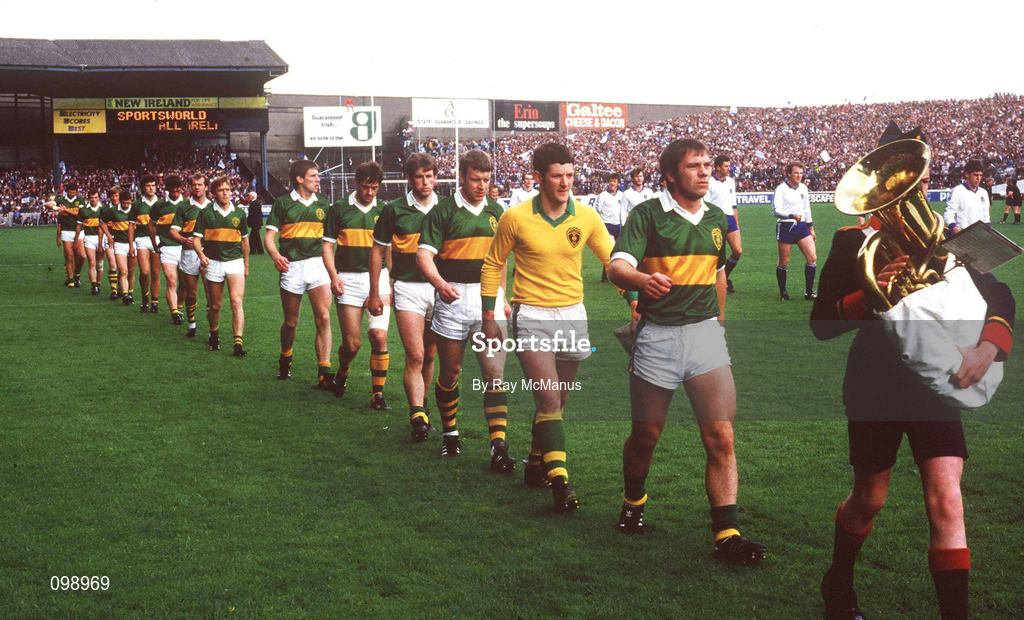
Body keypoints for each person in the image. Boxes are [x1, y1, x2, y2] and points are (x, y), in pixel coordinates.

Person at [811, 126, 1015, 620]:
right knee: (870, 497)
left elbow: (1000, 295)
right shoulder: (849, 243)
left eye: (918, 181)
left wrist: (991, 347)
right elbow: (822, 324)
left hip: (938, 378)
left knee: (946, 499)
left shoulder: (949, 239)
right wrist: (870, 291)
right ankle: (838, 581)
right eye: (901, 185)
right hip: (875, 382)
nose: (913, 192)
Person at [608, 138, 766, 566]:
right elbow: (615, 266)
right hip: (658, 337)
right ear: (670, 175)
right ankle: (633, 501)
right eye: (694, 166)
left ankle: (727, 534)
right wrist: (641, 281)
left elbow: (717, 275)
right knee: (646, 437)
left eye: (708, 164)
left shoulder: (716, 217)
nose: (704, 171)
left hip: (705, 338)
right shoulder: (646, 215)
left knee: (721, 436)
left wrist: (719, 321)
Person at [481, 142, 631, 513]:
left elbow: (613, 261)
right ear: (538, 177)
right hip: (530, 314)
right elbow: (491, 264)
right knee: (548, 398)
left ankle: (536, 460)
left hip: (573, 314)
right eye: (556, 176)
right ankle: (560, 484)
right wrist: (489, 315)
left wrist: (634, 302)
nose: (566, 183)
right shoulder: (514, 217)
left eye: (570, 174)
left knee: (559, 400)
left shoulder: (587, 217)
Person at [417, 150, 513, 464]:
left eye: (486, 179)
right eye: (475, 179)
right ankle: (450, 434)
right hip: (453, 299)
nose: (481, 185)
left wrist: (503, 296)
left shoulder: (498, 211)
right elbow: (424, 256)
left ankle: (498, 445)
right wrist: (439, 284)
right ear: (462, 177)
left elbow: (500, 260)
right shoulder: (443, 211)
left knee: (494, 373)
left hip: (489, 301)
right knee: (451, 372)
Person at [369, 154, 440, 442]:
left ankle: (424, 409)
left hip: (439, 289)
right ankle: (418, 415)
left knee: (431, 355)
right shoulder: (394, 209)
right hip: (408, 287)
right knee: (416, 354)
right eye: (420, 177)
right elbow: (377, 251)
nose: (426, 182)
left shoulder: (446, 208)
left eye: (430, 176)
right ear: (409, 180)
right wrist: (375, 291)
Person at [322, 161, 392, 410]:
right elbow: (328, 245)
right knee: (352, 345)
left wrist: (392, 281)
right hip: (348, 279)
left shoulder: (385, 210)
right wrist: (333, 275)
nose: (370, 192)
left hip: (379, 279)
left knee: (379, 336)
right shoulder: (339, 208)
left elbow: (388, 250)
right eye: (365, 187)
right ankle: (342, 372)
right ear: (356, 183)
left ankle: (378, 395)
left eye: (374, 187)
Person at [265, 160, 334, 387]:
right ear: (299, 179)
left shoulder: (323, 205)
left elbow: (331, 240)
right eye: (313, 176)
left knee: (323, 318)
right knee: (291, 322)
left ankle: (324, 372)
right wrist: (276, 256)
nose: (318, 179)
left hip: (318, 266)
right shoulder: (283, 204)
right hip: (292, 267)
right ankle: (285, 357)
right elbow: (269, 238)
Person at [193, 176, 250, 356]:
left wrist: (246, 265)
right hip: (214, 263)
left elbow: (244, 241)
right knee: (215, 305)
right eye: (220, 190)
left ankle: (238, 342)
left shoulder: (239, 213)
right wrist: (201, 255)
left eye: (228, 189)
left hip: (235, 262)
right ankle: (214, 334)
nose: (225, 193)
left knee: (236, 301)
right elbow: (196, 239)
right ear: (214, 193)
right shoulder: (206, 213)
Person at [170, 174, 212, 338]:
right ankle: (192, 323)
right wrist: (183, 239)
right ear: (190, 187)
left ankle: (211, 330)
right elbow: (173, 231)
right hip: (189, 253)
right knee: (191, 292)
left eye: (200, 184)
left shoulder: (212, 207)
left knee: (210, 292)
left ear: (206, 187)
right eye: (194, 185)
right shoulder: (183, 207)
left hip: (208, 252)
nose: (197, 187)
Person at [772, 162, 817, 300]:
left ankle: (809, 292)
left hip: (801, 226)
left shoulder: (803, 188)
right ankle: (783, 293)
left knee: (812, 258)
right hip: (786, 226)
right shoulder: (781, 189)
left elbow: (806, 208)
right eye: (796, 173)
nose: (799, 176)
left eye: (801, 173)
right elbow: (776, 211)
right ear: (788, 174)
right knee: (784, 262)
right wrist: (791, 215)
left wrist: (811, 227)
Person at [149, 175, 187, 325]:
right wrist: (155, 242)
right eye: (173, 190)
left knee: (184, 283)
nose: (176, 192)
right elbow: (151, 225)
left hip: (184, 248)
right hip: (167, 246)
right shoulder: (159, 206)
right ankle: (175, 313)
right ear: (167, 190)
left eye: (178, 189)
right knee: (172, 281)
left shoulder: (187, 204)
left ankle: (178, 307)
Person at [706, 155, 743, 293]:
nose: (729, 169)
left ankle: (725, 277)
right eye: (726, 166)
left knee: (737, 251)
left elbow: (734, 203)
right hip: (715, 220)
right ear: (718, 167)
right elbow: (706, 205)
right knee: (717, 255)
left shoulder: (730, 182)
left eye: (729, 166)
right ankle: (716, 282)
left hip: (730, 219)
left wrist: (736, 221)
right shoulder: (709, 182)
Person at [129, 174, 161, 314]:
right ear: (143, 187)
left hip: (158, 239)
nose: (151, 188)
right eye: (148, 186)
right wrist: (131, 244)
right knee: (145, 272)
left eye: (153, 185)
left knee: (155, 273)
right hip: (141, 239)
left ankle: (154, 302)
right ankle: (144, 296)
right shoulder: (137, 205)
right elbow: (130, 225)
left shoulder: (161, 203)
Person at [100, 189, 136, 304]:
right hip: (119, 244)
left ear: (131, 201)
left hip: (133, 244)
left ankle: (129, 293)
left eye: (128, 203)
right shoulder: (113, 211)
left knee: (131, 272)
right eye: (123, 203)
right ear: (120, 201)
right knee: (123, 270)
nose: (125, 205)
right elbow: (102, 222)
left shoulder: (135, 211)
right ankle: (125, 294)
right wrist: (109, 236)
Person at [943, 160, 990, 234]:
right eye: (975, 175)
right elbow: (948, 214)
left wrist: (987, 232)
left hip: (979, 236)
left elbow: (986, 217)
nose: (978, 178)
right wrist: (956, 230)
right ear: (967, 174)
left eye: (980, 175)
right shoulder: (957, 191)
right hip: (962, 236)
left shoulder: (983, 193)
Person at [55, 182, 85, 288]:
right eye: (70, 192)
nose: (72, 194)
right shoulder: (61, 200)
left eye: (74, 192)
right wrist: (56, 208)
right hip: (66, 231)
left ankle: (77, 274)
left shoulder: (80, 200)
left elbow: (80, 214)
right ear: (67, 191)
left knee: (82, 255)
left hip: (79, 230)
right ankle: (71, 279)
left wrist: (66, 210)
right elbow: (48, 204)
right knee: (69, 256)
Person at [75, 189, 105, 295]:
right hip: (89, 238)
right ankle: (94, 286)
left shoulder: (103, 209)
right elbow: (79, 226)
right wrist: (76, 239)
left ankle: (98, 283)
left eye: (96, 197)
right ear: (88, 198)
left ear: (99, 198)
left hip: (102, 238)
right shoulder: (84, 210)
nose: (93, 200)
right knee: (92, 262)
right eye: (91, 198)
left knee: (99, 264)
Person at [595, 173, 623, 283]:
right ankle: (606, 275)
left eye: (614, 181)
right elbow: (597, 210)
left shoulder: (621, 195)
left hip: (618, 225)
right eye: (611, 181)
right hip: (607, 226)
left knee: (620, 251)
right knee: (609, 250)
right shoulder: (602, 196)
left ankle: (615, 275)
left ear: (618, 183)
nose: (612, 183)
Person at [101, 187, 120, 300]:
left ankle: (123, 288)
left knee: (123, 267)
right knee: (113, 264)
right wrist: (106, 237)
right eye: (112, 196)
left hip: (123, 238)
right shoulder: (105, 209)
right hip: (110, 237)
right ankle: (114, 290)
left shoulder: (126, 207)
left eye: (116, 195)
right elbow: (101, 225)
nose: (114, 198)